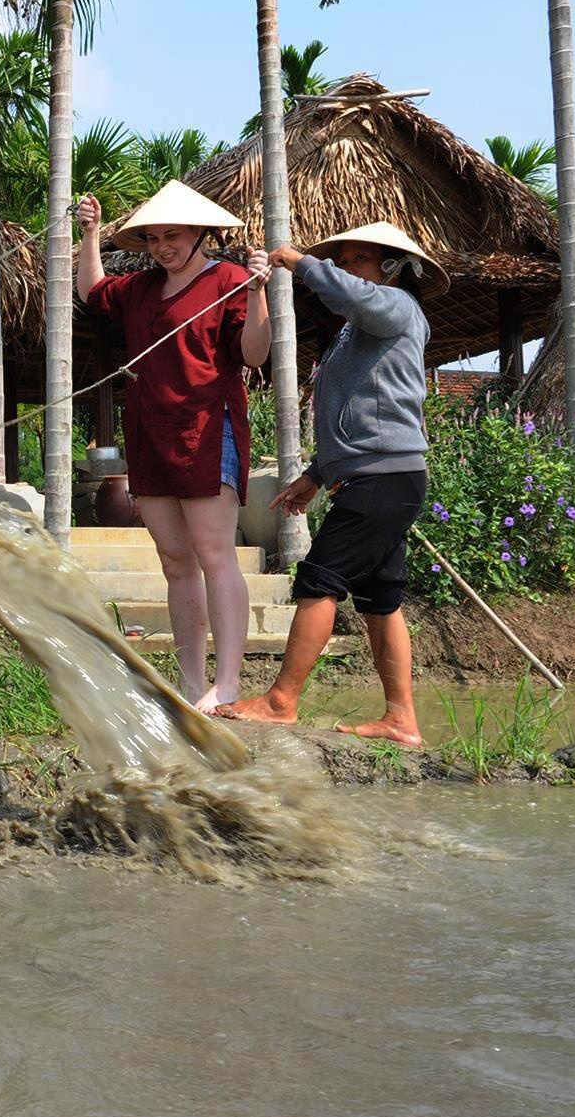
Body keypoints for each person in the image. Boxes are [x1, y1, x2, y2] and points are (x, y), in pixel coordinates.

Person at [211, 223, 448, 747]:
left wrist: (300, 262)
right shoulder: (357, 330)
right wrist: (317, 475)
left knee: (320, 577)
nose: (344, 270)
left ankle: (280, 702)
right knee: (379, 598)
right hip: (379, 474)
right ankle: (401, 719)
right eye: (340, 261)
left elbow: (351, 295)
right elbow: (358, 413)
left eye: (358, 260)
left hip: (383, 477)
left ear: (392, 269)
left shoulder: (397, 308)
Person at [77, 181, 272, 713]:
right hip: (150, 431)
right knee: (174, 559)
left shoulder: (231, 281)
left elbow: (254, 355)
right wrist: (92, 233)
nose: (164, 246)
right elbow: (92, 292)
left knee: (214, 553)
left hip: (208, 429)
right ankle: (191, 684)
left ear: (200, 234)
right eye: (154, 237)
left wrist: (258, 294)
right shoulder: (140, 288)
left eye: (174, 235)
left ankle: (227, 683)